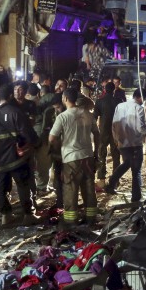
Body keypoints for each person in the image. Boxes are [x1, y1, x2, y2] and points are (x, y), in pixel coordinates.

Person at [0, 84, 40, 226]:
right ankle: (28, 215)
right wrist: (36, 143)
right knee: (23, 185)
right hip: (17, 157)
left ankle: (6, 215)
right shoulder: (15, 112)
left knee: (2, 185)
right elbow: (27, 133)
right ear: (11, 96)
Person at [49, 88, 99, 229]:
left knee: (71, 189)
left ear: (65, 99)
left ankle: (71, 221)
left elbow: (52, 138)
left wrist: (60, 146)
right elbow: (97, 134)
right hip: (88, 156)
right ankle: (91, 218)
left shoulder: (63, 117)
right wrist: (96, 153)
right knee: (89, 188)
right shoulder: (88, 115)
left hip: (71, 158)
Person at [105, 89, 146, 201]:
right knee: (136, 171)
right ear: (141, 97)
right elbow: (141, 128)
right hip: (135, 143)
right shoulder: (139, 109)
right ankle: (136, 198)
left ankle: (111, 183)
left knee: (127, 163)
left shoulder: (120, 106)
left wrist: (116, 139)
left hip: (122, 142)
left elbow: (114, 124)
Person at [93, 82, 122, 182]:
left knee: (102, 155)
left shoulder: (99, 101)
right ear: (114, 90)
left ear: (105, 89)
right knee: (116, 155)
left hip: (103, 131)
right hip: (116, 131)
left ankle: (101, 178)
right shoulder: (119, 101)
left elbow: (94, 117)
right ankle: (115, 179)